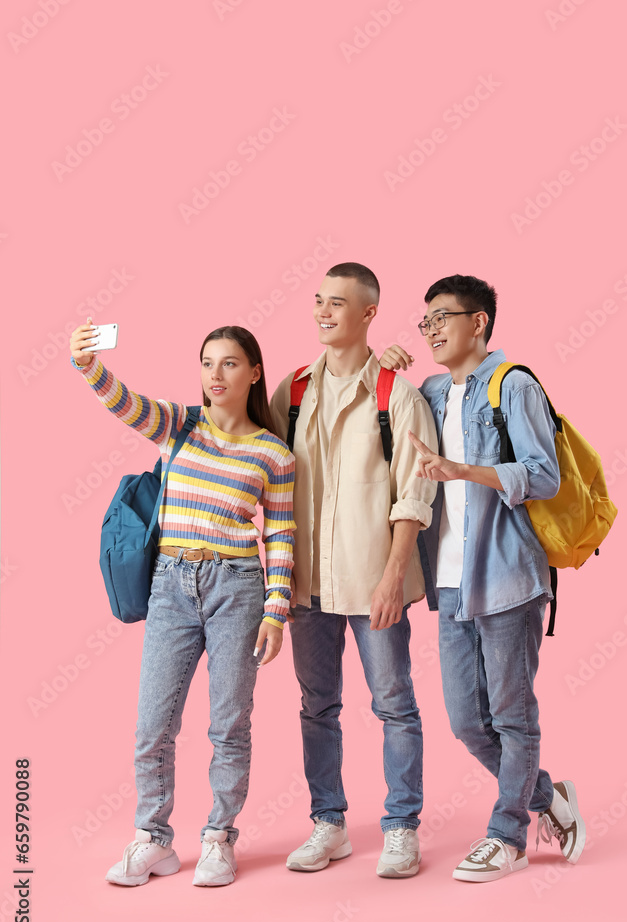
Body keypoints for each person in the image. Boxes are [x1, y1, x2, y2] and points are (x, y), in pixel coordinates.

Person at [70, 322, 295, 887]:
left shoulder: (273, 454)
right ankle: (153, 839)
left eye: (229, 364)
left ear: (254, 372)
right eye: (207, 363)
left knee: (229, 724)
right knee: (153, 725)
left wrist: (276, 610)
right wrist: (88, 365)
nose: (215, 376)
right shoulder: (180, 425)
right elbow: (127, 405)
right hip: (171, 583)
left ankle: (220, 837)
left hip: (237, 587)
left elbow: (282, 535)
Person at [380, 274, 585, 882]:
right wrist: (386, 369)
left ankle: (508, 836)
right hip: (449, 582)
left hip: (508, 576)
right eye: (425, 322)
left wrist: (465, 470)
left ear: (480, 323)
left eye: (444, 317)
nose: (433, 330)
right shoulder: (434, 389)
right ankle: (548, 796)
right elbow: (382, 424)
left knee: (514, 717)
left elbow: (543, 476)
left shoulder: (511, 384)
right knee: (468, 721)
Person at [270, 262, 438, 878]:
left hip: (374, 582)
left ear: (368, 313)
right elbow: (251, 456)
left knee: (394, 704)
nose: (322, 312)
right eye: (318, 300)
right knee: (318, 705)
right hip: (306, 583)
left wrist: (394, 576)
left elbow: (413, 497)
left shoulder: (399, 396)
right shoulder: (290, 390)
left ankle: (401, 828)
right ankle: (329, 824)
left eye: (337, 303)